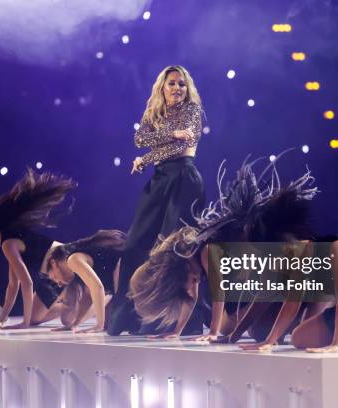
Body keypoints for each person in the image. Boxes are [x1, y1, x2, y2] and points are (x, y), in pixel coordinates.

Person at [129, 155, 321, 340]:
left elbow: (218, 293)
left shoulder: (204, 252)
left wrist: (212, 333)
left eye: (184, 287)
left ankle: (304, 308)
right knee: (242, 328)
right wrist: (176, 332)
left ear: (176, 275)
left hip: (269, 256)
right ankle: (294, 313)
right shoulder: (189, 266)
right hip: (256, 273)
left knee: (240, 327)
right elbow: (192, 299)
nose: (190, 287)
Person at [107, 65, 206, 335]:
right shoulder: (154, 113)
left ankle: (176, 320)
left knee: (170, 250)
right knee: (134, 246)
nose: (177, 88)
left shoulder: (193, 111)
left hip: (184, 179)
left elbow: (180, 145)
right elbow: (140, 139)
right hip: (160, 180)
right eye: (172, 83)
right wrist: (154, 148)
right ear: (162, 86)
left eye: (182, 84)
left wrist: (147, 156)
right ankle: (128, 317)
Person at [0, 169, 74, 329]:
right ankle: (73, 303)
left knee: (46, 319)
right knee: (36, 318)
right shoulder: (8, 241)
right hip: (52, 270)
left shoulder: (8, 244)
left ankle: (83, 303)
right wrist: (1, 319)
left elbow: (27, 283)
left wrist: (24, 323)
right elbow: (13, 285)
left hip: (63, 262)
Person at [45, 229, 126, 333]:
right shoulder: (76, 271)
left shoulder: (73, 260)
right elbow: (89, 297)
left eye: (54, 278)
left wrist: (99, 325)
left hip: (125, 262)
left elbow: (97, 287)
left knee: (113, 325)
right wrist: (74, 324)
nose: (59, 283)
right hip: (121, 269)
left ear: (54, 264)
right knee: (112, 324)